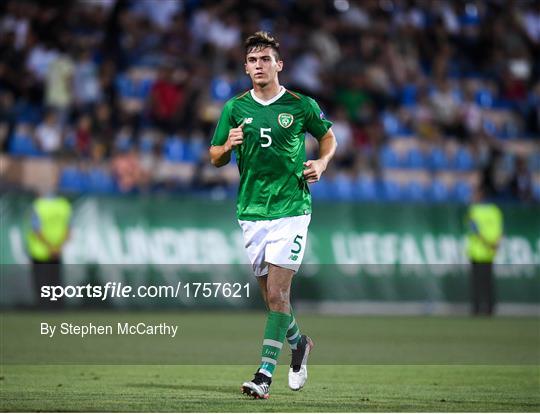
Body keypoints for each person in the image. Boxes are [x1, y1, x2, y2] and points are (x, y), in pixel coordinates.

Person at [209, 31, 337, 399]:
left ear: (279, 65)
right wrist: (227, 146)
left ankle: (264, 374)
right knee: (272, 301)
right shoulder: (235, 108)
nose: (258, 65)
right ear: (245, 68)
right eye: (252, 60)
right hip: (251, 211)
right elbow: (214, 156)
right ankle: (299, 345)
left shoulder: (300, 105)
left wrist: (323, 162)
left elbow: (328, 137)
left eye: (265, 59)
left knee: (280, 293)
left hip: (291, 209)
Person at [26, 192, 72, 309]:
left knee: (42, 282)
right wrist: (58, 247)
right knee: (55, 281)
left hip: (40, 251)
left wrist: (50, 247)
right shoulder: (64, 205)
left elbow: (36, 230)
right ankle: (57, 307)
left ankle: (44, 307)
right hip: (57, 250)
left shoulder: (38, 205)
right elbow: (69, 230)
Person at [466, 186, 503, 316]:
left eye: (474, 194)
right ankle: (489, 309)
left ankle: (477, 309)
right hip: (489, 251)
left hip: (478, 251)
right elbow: (500, 231)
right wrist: (494, 245)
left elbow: (474, 229)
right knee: (488, 282)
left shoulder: (474, 210)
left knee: (477, 282)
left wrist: (487, 243)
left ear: (480, 195)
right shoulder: (495, 210)